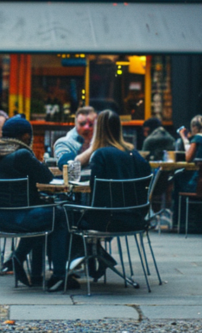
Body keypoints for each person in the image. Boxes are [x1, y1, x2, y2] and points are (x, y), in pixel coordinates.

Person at [0, 115, 77, 291]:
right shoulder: (21, 154)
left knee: (45, 213)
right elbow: (47, 177)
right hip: (17, 218)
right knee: (60, 214)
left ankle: (32, 270)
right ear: (25, 136)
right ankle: (59, 275)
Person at [71, 110, 152, 278]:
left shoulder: (100, 155)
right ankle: (100, 257)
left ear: (98, 129)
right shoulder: (136, 155)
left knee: (66, 215)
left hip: (106, 220)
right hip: (136, 219)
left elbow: (95, 196)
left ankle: (68, 270)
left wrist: (94, 146)